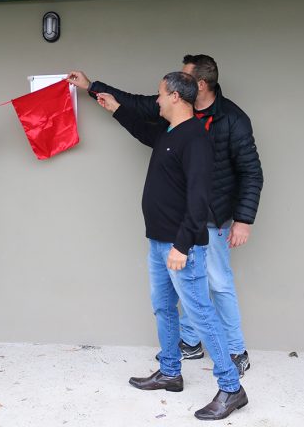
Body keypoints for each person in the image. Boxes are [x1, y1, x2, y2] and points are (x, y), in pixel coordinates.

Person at [67, 56, 263, 376]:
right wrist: (97, 91)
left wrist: (244, 219)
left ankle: (234, 354)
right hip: (176, 223)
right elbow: (144, 115)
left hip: (209, 215)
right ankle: (185, 348)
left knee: (215, 284)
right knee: (184, 292)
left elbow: (250, 172)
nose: (160, 96)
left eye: (182, 78)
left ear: (195, 86)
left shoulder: (229, 120)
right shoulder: (173, 124)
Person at [94, 72, 247, 421]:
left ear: (177, 96)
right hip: (159, 242)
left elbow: (199, 199)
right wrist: (115, 107)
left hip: (182, 247)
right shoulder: (170, 133)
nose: (157, 100)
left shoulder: (196, 139)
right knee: (163, 308)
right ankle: (170, 371)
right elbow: (141, 130)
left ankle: (232, 388)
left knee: (201, 315)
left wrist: (182, 245)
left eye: (161, 95)